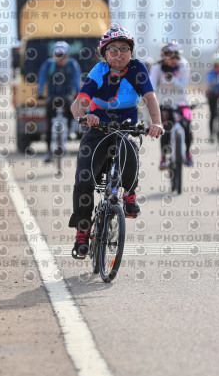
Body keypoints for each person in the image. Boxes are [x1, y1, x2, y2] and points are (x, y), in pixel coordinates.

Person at [69, 27, 163, 259]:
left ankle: (129, 194)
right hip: (98, 124)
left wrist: (157, 122)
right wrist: (84, 116)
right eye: (113, 50)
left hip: (126, 121)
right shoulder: (98, 71)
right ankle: (82, 233)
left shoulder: (137, 69)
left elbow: (150, 97)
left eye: (124, 49)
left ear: (131, 52)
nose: (119, 54)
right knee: (84, 181)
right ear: (104, 53)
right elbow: (79, 102)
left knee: (130, 148)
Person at [150, 41, 192, 169]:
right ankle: (163, 158)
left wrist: (171, 78)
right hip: (164, 103)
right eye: (169, 56)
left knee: (187, 127)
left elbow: (181, 87)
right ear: (163, 56)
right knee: (166, 131)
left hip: (182, 103)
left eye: (175, 57)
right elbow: (151, 86)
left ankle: (187, 153)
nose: (173, 60)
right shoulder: (157, 68)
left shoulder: (184, 66)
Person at [37, 41, 81, 162]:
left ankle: (68, 132)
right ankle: (48, 151)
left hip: (66, 96)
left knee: (71, 112)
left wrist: (78, 93)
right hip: (52, 96)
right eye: (58, 57)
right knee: (49, 123)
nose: (61, 60)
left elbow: (76, 79)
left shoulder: (72, 65)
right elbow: (41, 79)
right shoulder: (48, 64)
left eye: (63, 57)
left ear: (68, 56)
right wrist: (40, 93)